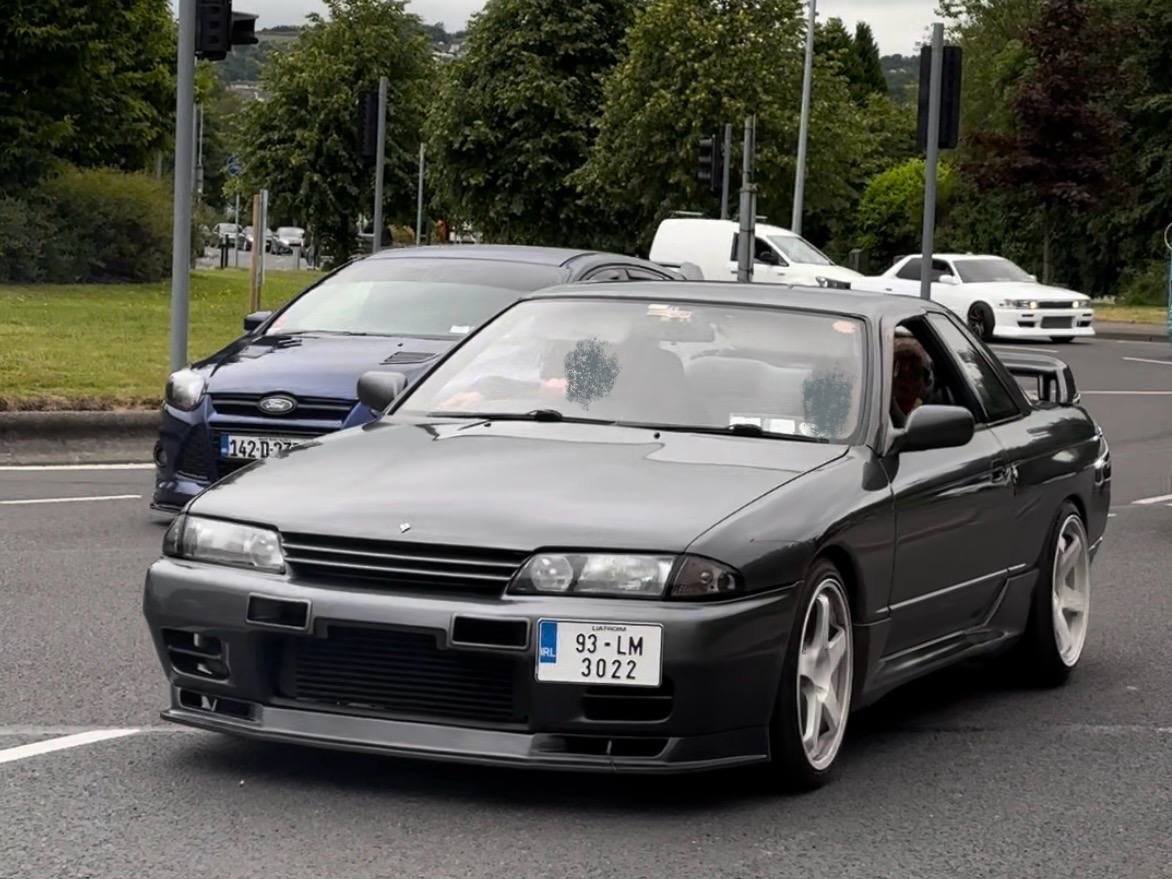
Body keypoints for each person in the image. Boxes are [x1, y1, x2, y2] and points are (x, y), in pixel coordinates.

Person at [892, 335, 934, 422]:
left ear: (926, 381)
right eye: (897, 368)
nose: (905, 377)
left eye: (915, 370)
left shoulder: (927, 416)